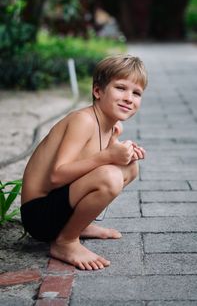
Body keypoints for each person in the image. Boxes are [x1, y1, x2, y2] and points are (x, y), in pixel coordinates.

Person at [20, 54, 148, 271]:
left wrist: (121, 154)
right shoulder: (83, 120)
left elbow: (87, 169)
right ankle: (65, 242)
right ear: (98, 91)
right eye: (120, 88)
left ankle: (78, 226)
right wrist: (108, 156)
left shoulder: (111, 126)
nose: (129, 98)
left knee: (129, 167)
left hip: (58, 207)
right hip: (39, 215)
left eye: (136, 93)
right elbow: (56, 176)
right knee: (110, 176)